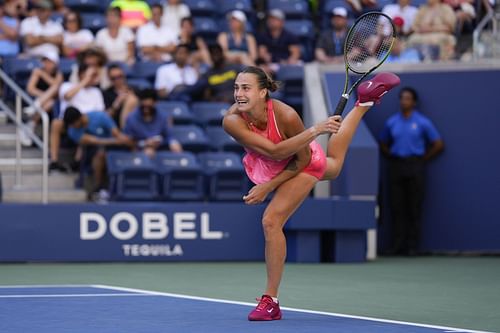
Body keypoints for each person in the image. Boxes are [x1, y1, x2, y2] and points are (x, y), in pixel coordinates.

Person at [222, 66, 400, 321]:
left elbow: (302, 159)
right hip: (272, 159)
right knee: (334, 166)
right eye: (237, 87)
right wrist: (316, 130)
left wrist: (269, 186)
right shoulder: (232, 120)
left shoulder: (286, 115)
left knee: (271, 221)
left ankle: (270, 301)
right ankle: (364, 101)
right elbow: (272, 152)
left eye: (246, 88)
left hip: (299, 159)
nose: (239, 93)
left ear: (263, 92)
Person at [379, 87, 444, 256]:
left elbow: (438, 144)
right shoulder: (392, 122)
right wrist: (391, 155)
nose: (403, 102)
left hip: (416, 166)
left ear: (414, 102)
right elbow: (383, 142)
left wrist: (422, 159)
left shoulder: (423, 122)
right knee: (397, 207)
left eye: (407, 99)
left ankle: (413, 247)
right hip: (396, 166)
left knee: (414, 206)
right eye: (401, 98)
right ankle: (397, 246)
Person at [63, 106, 134, 202]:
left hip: (114, 146)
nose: (72, 127)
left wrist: (125, 141)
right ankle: (99, 187)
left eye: (73, 124)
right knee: (100, 154)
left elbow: (116, 133)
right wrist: (116, 141)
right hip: (92, 150)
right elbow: (96, 141)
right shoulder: (72, 131)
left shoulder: (100, 116)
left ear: (79, 119)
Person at [50, 63, 104, 172]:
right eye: (90, 75)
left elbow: (100, 112)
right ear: (80, 74)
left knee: (85, 125)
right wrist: (84, 81)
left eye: (93, 75)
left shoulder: (96, 91)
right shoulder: (67, 85)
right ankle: (54, 161)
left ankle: (77, 162)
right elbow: (67, 96)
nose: (92, 78)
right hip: (68, 121)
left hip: (86, 122)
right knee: (56, 123)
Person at [123, 88, 182, 158]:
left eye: (148, 107)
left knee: (177, 148)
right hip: (139, 150)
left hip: (160, 147)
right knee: (148, 153)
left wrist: (173, 143)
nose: (145, 110)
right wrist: (144, 143)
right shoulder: (131, 118)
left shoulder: (162, 116)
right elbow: (127, 141)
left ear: (155, 103)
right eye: (143, 107)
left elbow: (169, 135)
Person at [22, 50, 63, 146]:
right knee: (49, 102)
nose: (47, 64)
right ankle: (34, 114)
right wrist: (45, 96)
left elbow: (57, 88)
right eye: (45, 61)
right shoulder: (37, 72)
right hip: (42, 100)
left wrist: (43, 75)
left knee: (52, 98)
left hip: (53, 100)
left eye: (50, 61)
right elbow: (30, 89)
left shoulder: (58, 74)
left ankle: (32, 120)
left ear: (55, 63)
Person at [102, 63, 139, 129]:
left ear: (124, 75)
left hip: (137, 121)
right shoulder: (106, 93)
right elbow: (106, 117)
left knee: (132, 99)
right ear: (109, 79)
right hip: (117, 125)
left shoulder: (134, 89)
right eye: (113, 78)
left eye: (120, 76)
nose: (117, 80)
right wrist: (117, 102)